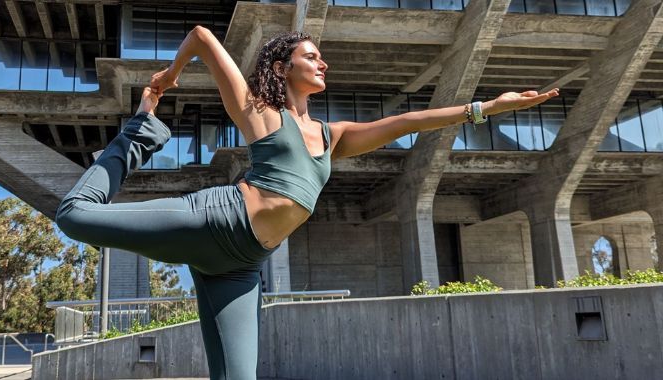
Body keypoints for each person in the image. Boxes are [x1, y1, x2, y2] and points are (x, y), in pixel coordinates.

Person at [55, 26, 559, 380]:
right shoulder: (260, 112)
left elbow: (408, 122)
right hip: (216, 220)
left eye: (321, 57)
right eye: (312, 56)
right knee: (74, 216)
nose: (323, 63)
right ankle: (139, 135)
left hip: (242, 266)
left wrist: (485, 107)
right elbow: (203, 37)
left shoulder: (331, 134)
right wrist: (167, 78)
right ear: (283, 66)